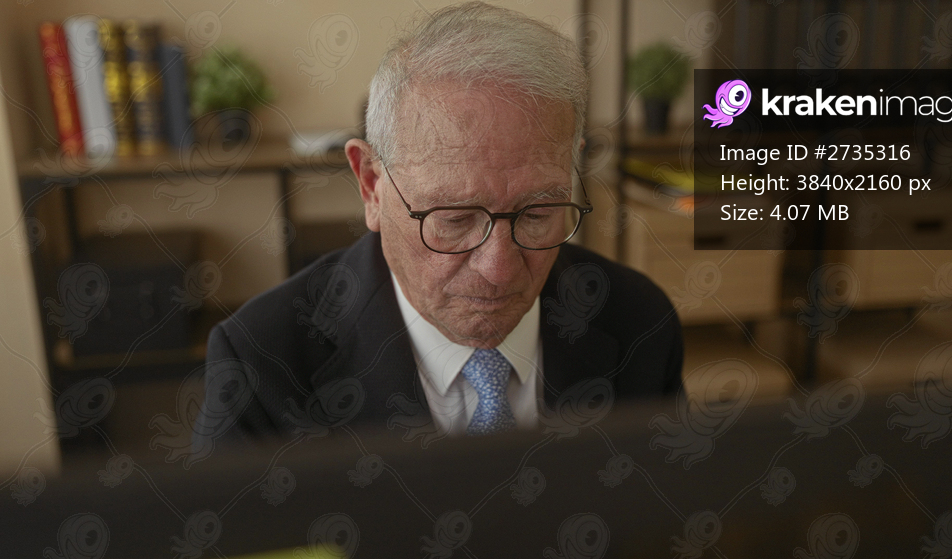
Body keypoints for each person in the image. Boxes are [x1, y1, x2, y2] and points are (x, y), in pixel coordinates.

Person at [195, 2, 683, 447]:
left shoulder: (640, 322)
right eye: (453, 219)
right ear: (371, 184)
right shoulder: (260, 362)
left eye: (537, 214)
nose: (499, 270)